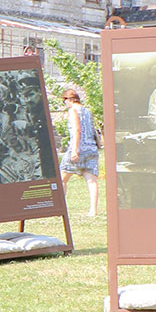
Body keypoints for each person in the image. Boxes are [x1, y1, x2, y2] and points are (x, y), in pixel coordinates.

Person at [59, 85, 101, 218]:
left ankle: (61, 207)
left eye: (64, 100)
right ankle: (93, 211)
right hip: (91, 148)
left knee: (62, 179)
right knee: (91, 181)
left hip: (78, 148)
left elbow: (77, 130)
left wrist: (75, 150)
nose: (64, 103)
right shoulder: (87, 110)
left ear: (68, 99)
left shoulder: (73, 111)